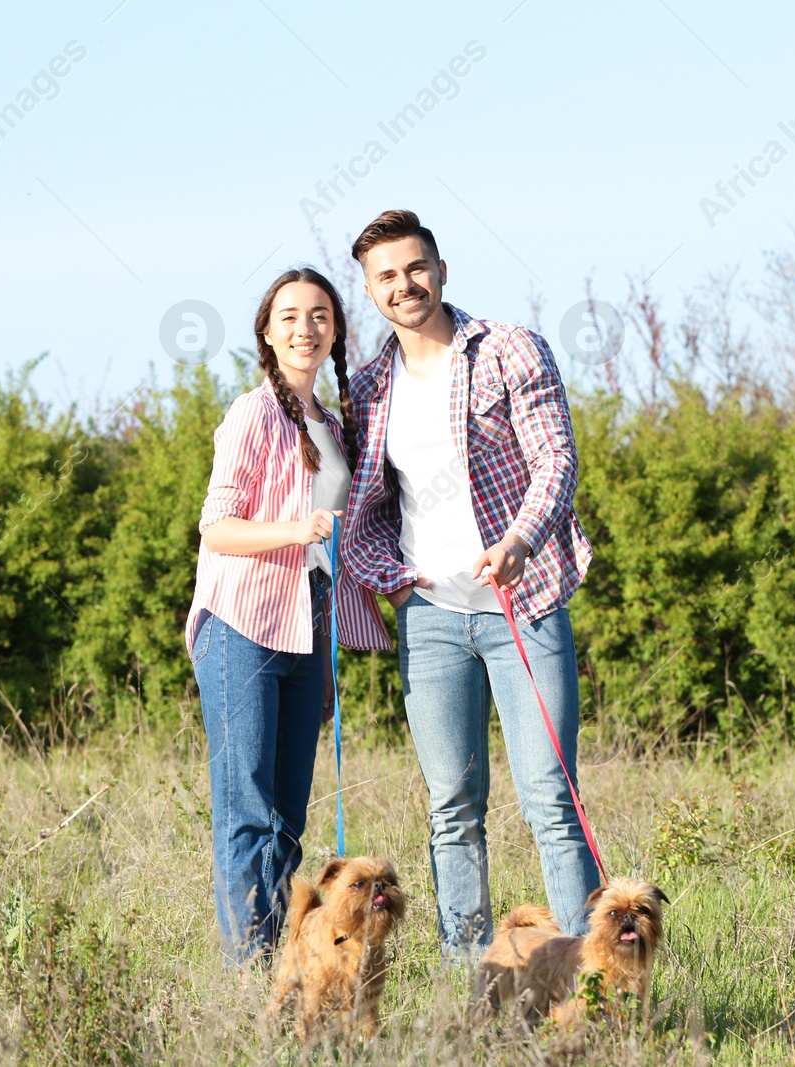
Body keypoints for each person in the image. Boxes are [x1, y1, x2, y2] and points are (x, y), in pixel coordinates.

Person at [342, 209, 598, 960]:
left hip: (525, 605)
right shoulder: (368, 387)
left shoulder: (510, 349)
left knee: (552, 798)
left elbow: (557, 459)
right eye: (386, 276)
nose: (404, 284)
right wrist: (391, 580)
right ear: (369, 291)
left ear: (442, 269)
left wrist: (519, 541)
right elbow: (369, 503)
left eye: (415, 267)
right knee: (453, 806)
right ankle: (470, 982)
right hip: (431, 618)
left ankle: (584, 980)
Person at [187, 266, 391, 965]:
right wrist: (296, 528)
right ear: (267, 333)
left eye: (320, 315)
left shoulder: (332, 425)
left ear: (334, 330)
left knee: (287, 816)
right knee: (248, 809)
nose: (306, 327)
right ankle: (247, 976)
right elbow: (217, 527)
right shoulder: (252, 412)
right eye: (291, 315)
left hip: (311, 621)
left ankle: (281, 965)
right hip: (243, 620)